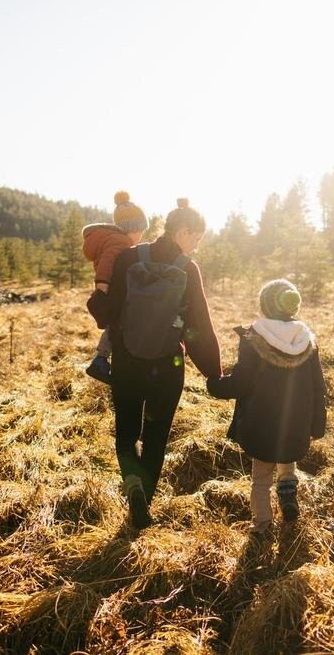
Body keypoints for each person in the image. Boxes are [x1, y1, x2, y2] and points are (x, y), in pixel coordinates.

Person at [91, 198, 221, 530]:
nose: (197, 244)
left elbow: (108, 312)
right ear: (182, 230)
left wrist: (99, 305)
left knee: (126, 432)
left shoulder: (129, 257)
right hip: (168, 365)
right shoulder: (188, 269)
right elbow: (198, 327)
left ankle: (132, 483)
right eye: (196, 237)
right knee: (156, 437)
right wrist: (213, 373)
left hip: (127, 362)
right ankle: (143, 502)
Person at [206, 278, 326, 535]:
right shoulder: (306, 339)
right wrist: (317, 424)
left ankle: (262, 526)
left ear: (266, 306)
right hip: (296, 422)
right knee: (287, 462)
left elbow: (242, 380)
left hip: (261, 422)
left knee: (260, 479)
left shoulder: (254, 336)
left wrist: (217, 386)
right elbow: (318, 387)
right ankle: (288, 500)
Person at [82, 191, 148, 384]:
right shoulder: (120, 242)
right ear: (131, 229)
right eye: (140, 230)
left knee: (114, 325)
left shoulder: (118, 240)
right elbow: (108, 262)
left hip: (110, 289)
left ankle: (101, 359)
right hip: (109, 291)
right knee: (115, 325)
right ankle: (100, 361)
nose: (141, 235)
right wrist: (102, 285)